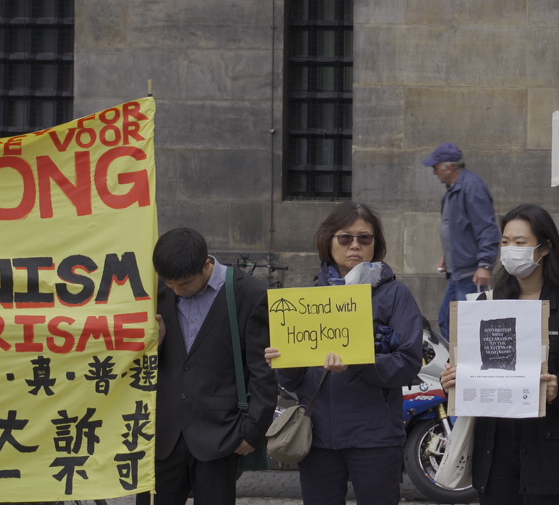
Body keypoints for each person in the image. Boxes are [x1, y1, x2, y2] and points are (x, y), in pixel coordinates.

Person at [440, 204, 559, 505]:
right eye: (505, 242)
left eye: (520, 243)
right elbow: (468, 369)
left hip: (551, 455)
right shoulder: (484, 306)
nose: (510, 250)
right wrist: (454, 377)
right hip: (496, 455)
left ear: (544, 249)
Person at [264, 201, 424, 505]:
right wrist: (282, 358)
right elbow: (292, 381)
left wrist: (358, 362)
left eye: (365, 238)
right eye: (345, 238)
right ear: (329, 241)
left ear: (375, 244)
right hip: (319, 436)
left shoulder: (395, 295)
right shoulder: (308, 299)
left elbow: (407, 364)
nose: (355, 245)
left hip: (374, 436)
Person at [148, 228, 275, 505]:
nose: (176, 290)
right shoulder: (155, 290)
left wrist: (252, 431)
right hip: (163, 436)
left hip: (221, 433)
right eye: (170, 284)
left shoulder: (249, 293)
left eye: (184, 284)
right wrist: (153, 345)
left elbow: (262, 369)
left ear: (207, 264)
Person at [423, 141, 500, 341]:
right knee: (447, 321)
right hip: (460, 272)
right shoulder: (454, 190)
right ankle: (457, 366)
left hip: (471, 273)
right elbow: (458, 229)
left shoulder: (471, 187)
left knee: (464, 327)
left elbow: (487, 228)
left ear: (448, 166)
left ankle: (463, 368)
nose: (434, 172)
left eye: (436, 167)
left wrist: (484, 264)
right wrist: (448, 255)